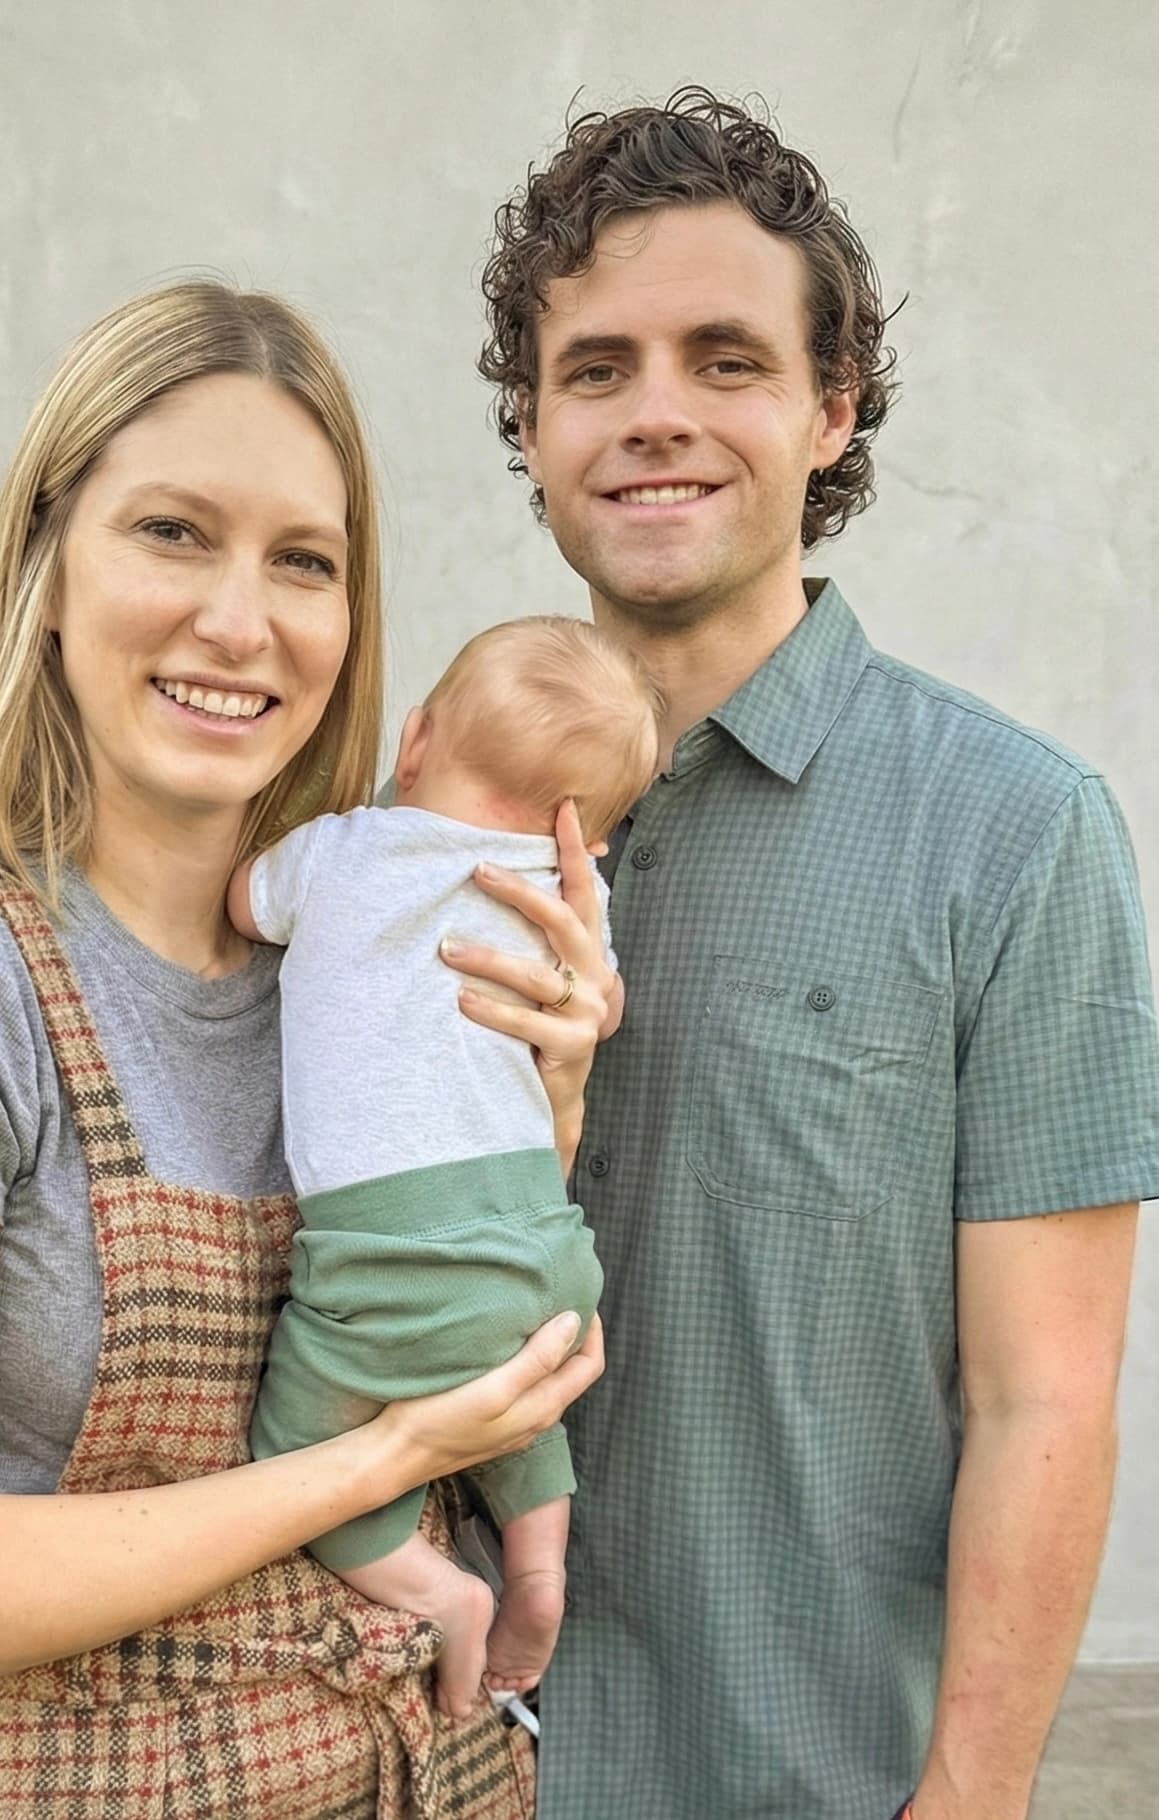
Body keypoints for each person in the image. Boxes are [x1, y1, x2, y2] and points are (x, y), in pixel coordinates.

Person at [476, 88, 1159, 1820]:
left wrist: (973, 1799)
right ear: (532, 424)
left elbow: (1042, 1405)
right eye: (595, 368)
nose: (654, 418)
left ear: (826, 406)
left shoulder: (1013, 837)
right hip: (423, 1771)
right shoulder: (411, 823)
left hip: (806, 1779)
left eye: (724, 359)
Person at [0, 281, 613, 1820]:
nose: (239, 620)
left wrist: (552, 1104)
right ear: (48, 568)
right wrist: (375, 1458)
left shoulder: (389, 949)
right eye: (173, 532)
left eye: (303, 562)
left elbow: (472, 1319)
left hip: (450, 1771)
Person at [228, 616, 660, 1721]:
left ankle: (450, 1600)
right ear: (585, 832)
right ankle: (538, 1568)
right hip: (545, 1242)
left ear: (412, 737)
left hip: (390, 1250)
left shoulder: (343, 849)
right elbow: (593, 999)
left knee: (297, 1455)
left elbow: (242, 904)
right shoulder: (568, 902)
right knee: (522, 1400)